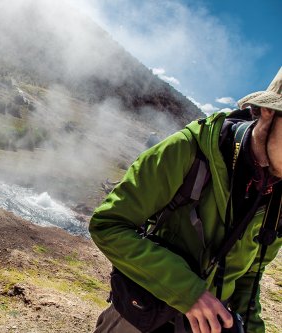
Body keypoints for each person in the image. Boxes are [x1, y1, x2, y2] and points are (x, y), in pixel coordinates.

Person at [90, 67, 282, 333]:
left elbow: (249, 278)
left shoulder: (279, 200)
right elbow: (108, 225)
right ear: (268, 112)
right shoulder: (190, 149)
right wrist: (189, 293)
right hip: (141, 315)